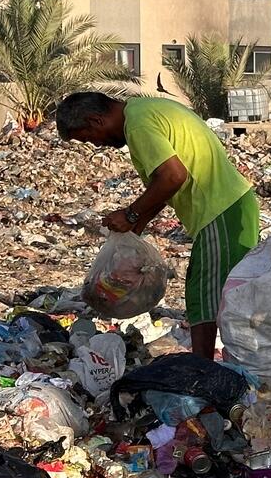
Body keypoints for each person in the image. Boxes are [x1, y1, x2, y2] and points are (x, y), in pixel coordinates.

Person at [56, 92, 259, 360]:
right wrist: (135, 229)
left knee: (206, 296)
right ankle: (219, 364)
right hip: (229, 208)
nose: (96, 145)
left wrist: (130, 215)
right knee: (221, 294)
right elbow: (164, 188)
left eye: (88, 138)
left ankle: (203, 368)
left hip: (220, 209)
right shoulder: (144, 110)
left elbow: (173, 176)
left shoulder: (138, 123)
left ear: (96, 120)